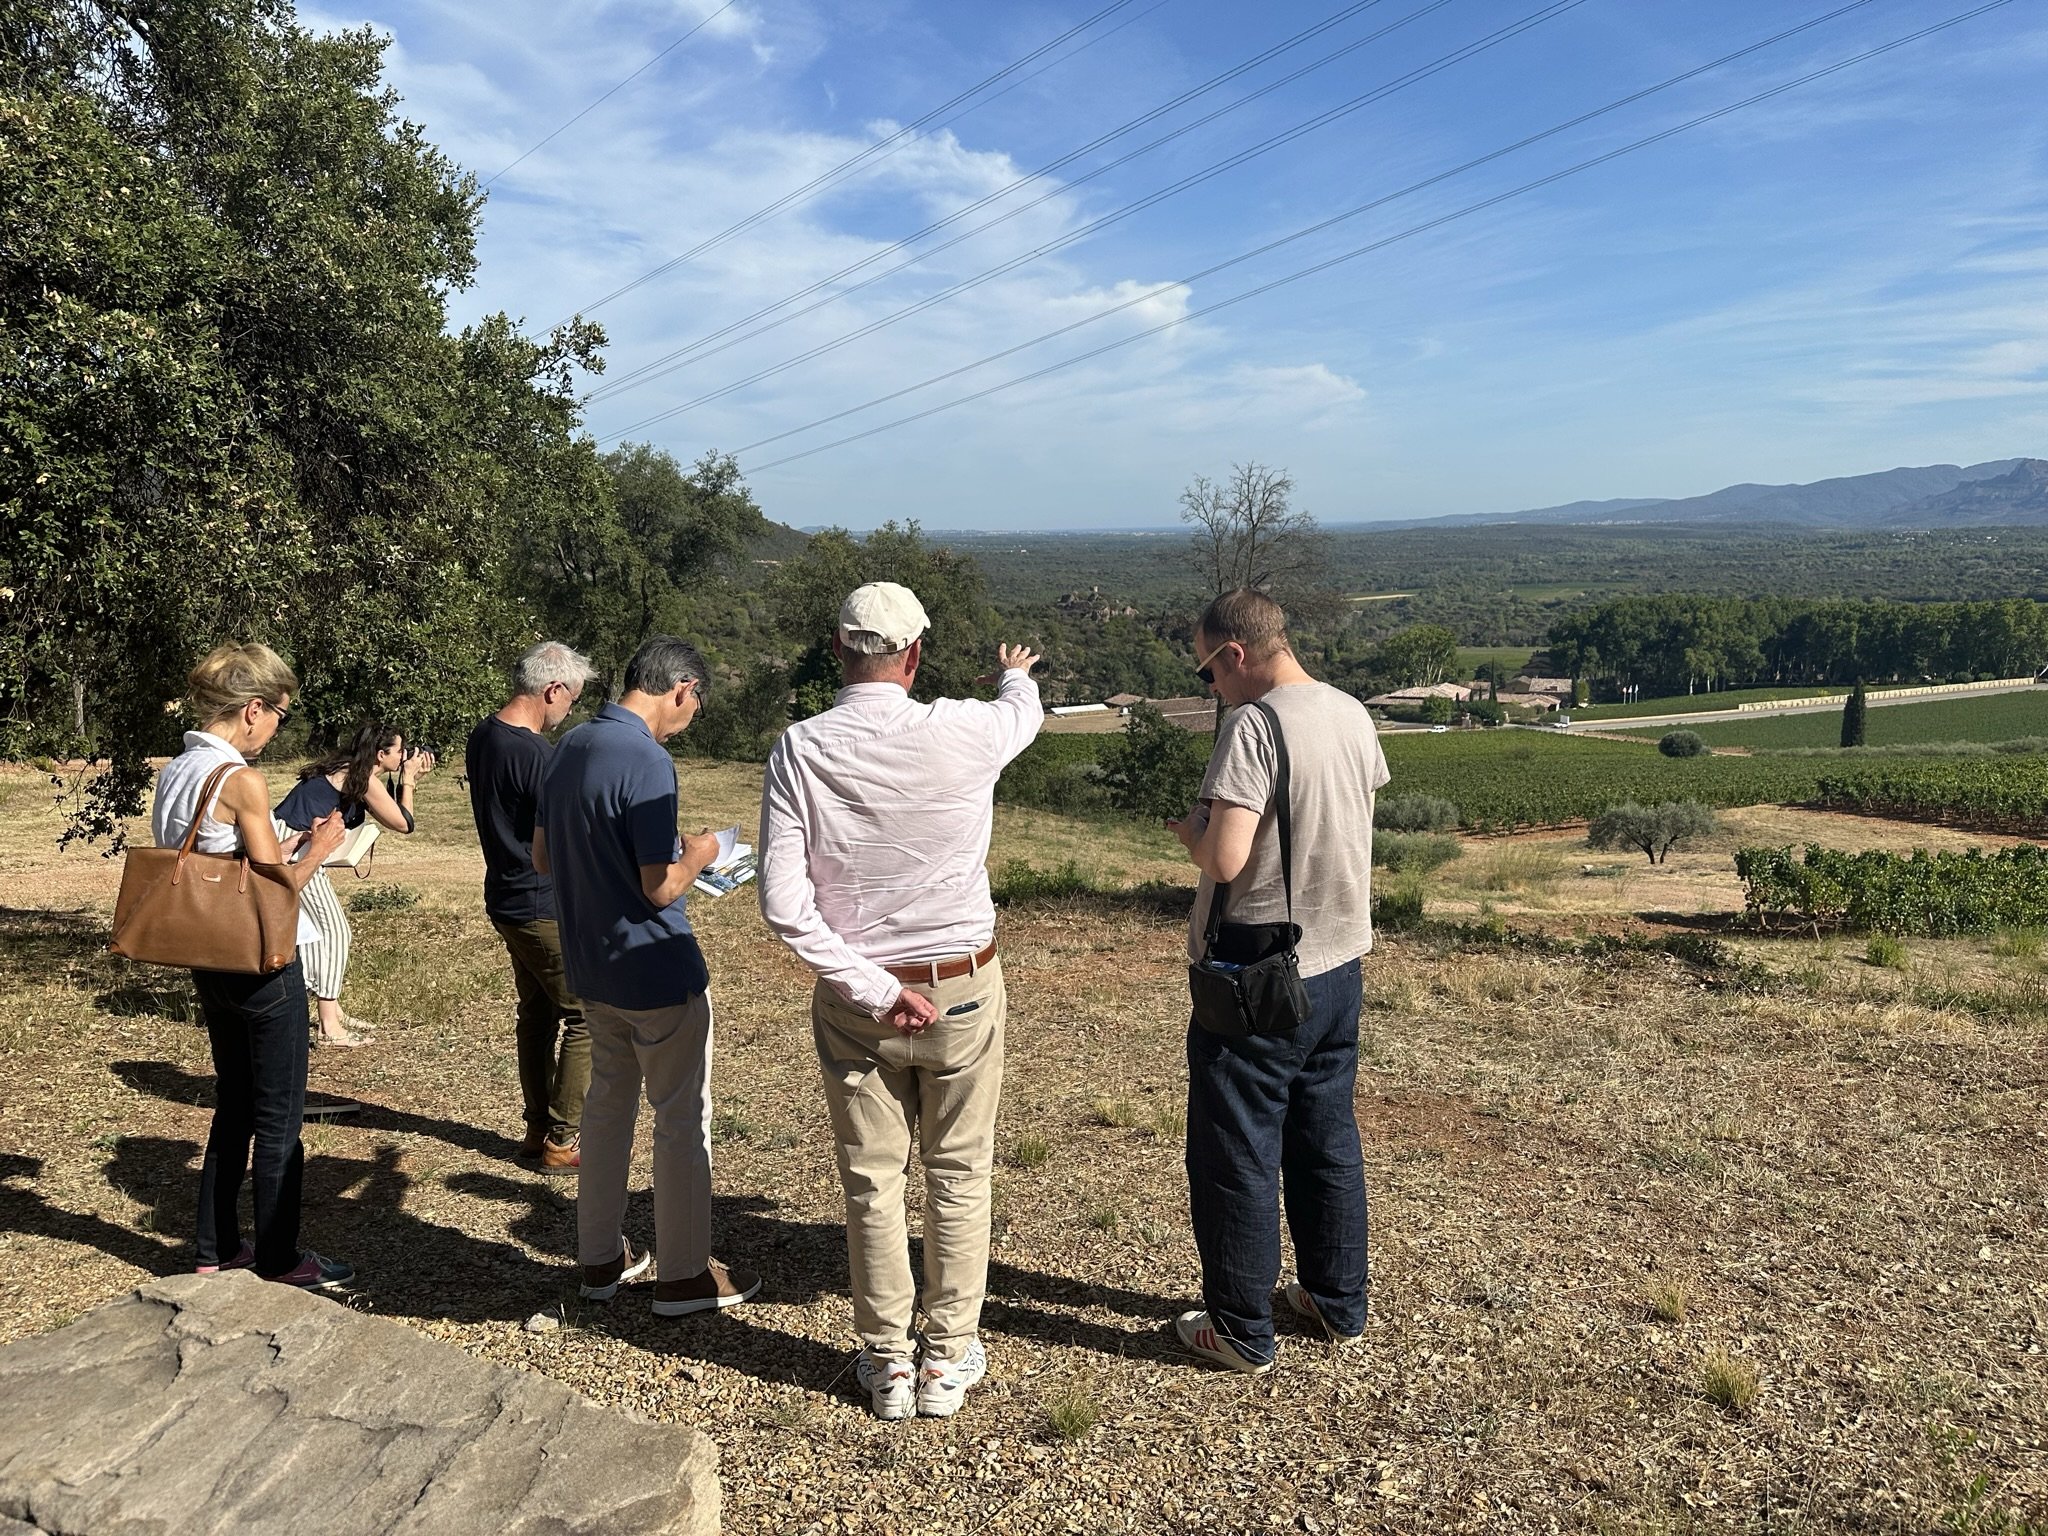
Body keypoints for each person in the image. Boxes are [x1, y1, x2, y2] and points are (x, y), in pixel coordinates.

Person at [758, 582, 1044, 1421]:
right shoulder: (965, 727)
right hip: (961, 983)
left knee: (871, 1181)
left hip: (858, 996)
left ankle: (886, 1361)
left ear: (838, 649)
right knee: (959, 1170)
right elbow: (1021, 714)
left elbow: (784, 904)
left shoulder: (799, 748)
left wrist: (878, 990)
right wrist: (1016, 673)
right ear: (914, 656)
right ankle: (948, 1357)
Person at [1166, 587, 1389, 1373]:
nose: (1211, 690)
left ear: (1235, 655)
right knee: (1327, 1140)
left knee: (1236, 1151)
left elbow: (1225, 858)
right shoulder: (1350, 711)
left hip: (1257, 977)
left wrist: (1190, 831)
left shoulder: (1253, 727)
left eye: (1207, 673)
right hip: (1339, 963)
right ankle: (1336, 1303)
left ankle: (1238, 1329)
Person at [533, 636, 760, 1316]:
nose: (689, 717)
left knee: (605, 1115)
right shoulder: (648, 761)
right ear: (682, 689)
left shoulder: (570, 744)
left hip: (592, 969)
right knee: (681, 1121)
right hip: (656, 970)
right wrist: (706, 851)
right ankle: (685, 1274)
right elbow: (660, 887)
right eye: (693, 705)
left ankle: (600, 1257)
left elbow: (544, 856)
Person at [152, 642, 354, 1288]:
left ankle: (216, 1246)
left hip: (206, 952)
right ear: (253, 709)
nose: (276, 729)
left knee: (234, 1101)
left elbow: (227, 856)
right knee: (279, 1116)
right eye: (280, 715)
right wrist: (319, 846)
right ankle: (279, 1256)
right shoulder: (241, 778)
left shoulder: (180, 768)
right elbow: (277, 887)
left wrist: (283, 843)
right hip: (261, 959)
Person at [466, 641, 597, 1173]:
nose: (570, 711)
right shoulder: (537, 755)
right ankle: (563, 1140)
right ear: (552, 690)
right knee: (584, 1015)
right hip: (541, 902)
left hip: (506, 896)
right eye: (572, 700)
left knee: (538, 1014)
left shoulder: (484, 735)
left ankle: (537, 1127)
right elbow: (568, 833)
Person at [277, 720, 436, 1047]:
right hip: (294, 847)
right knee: (334, 930)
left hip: (288, 838)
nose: (404, 754)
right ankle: (329, 1027)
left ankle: (331, 1009)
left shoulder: (350, 768)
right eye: (399, 750)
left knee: (314, 931)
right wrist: (409, 782)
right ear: (381, 754)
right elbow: (403, 823)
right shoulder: (361, 777)